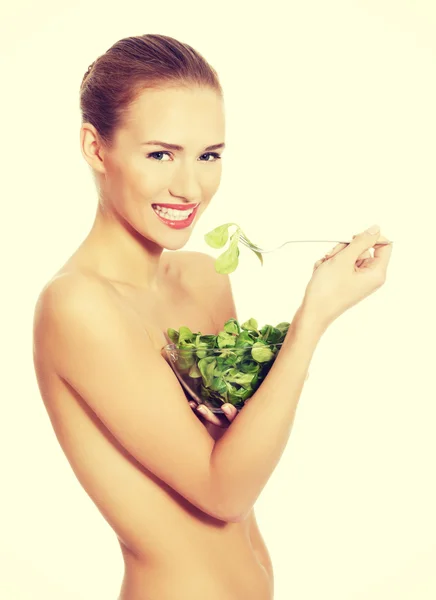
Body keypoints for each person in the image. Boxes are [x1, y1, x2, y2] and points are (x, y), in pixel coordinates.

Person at [32, 33, 392, 600]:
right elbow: (223, 491)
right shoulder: (78, 305)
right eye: (160, 154)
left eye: (209, 156)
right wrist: (313, 317)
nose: (190, 186)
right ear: (96, 148)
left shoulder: (204, 276)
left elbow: (242, 451)